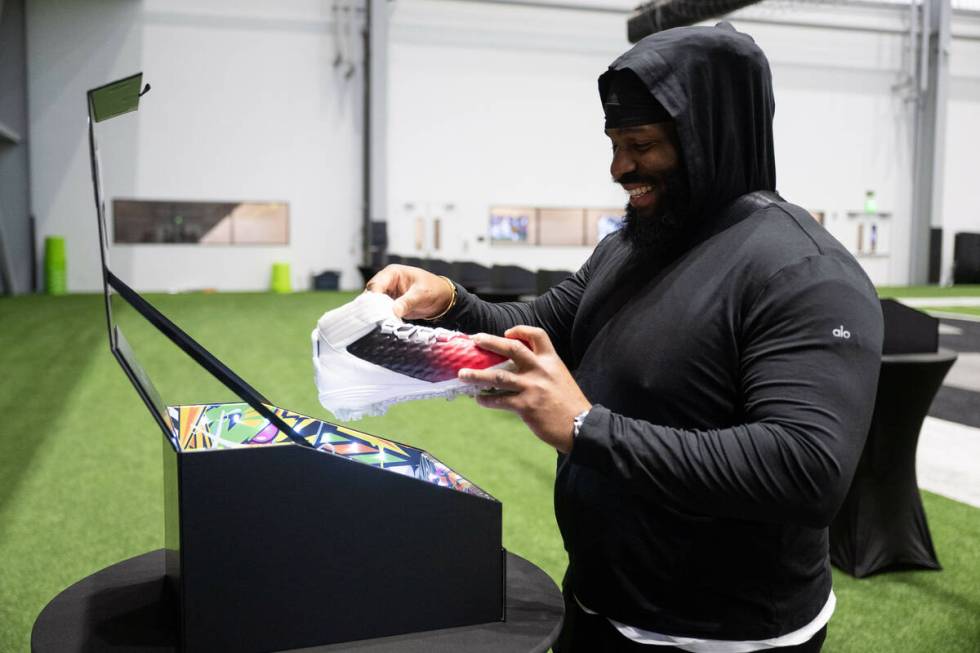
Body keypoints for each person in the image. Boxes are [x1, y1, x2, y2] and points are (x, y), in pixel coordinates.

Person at [366, 22, 883, 652]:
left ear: (708, 139)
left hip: (722, 639)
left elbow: (805, 469)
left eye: (641, 144)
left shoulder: (802, 271)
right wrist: (449, 299)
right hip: (598, 604)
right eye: (614, 143)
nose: (620, 168)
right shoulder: (633, 244)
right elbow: (542, 326)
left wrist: (587, 428)